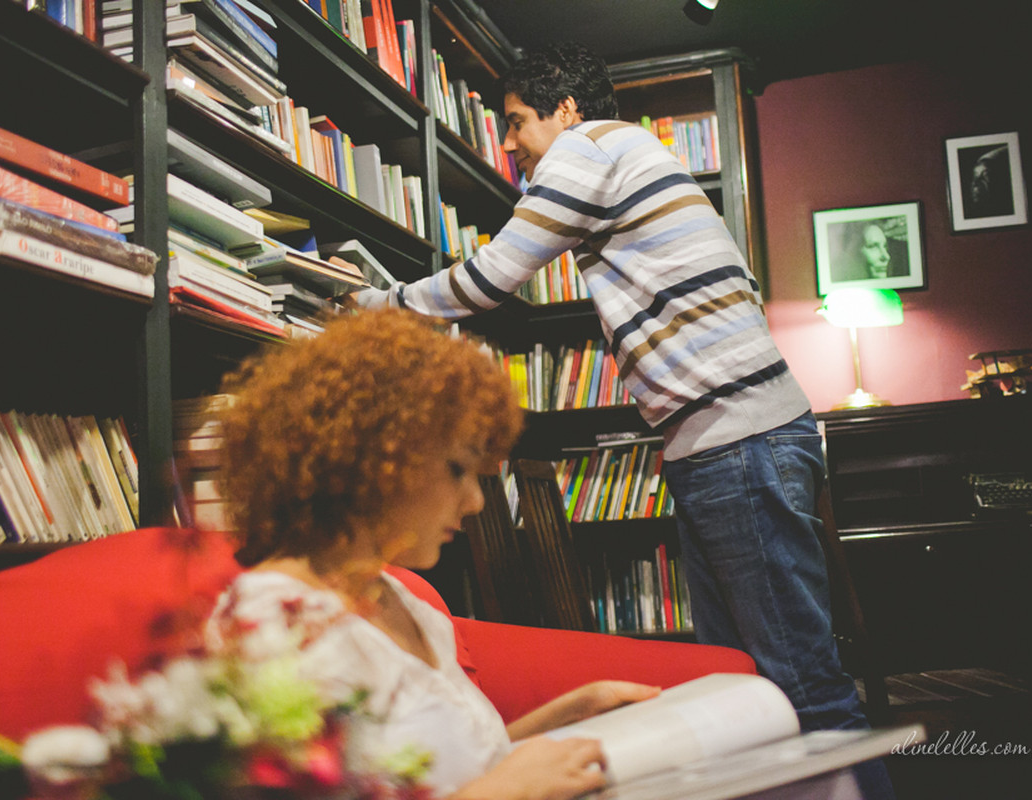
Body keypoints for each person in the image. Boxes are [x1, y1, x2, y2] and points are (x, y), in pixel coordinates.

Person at [348, 41, 893, 798]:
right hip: (728, 442)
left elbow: (495, 276)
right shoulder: (629, 154)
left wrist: (372, 305)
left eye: (514, 122)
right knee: (743, 682)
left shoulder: (587, 147)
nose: (507, 145)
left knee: (797, 682)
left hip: (737, 441)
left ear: (565, 110)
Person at [205, 308, 661, 800]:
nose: (476, 502)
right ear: (377, 454)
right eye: (458, 469)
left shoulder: (401, 598)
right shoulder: (273, 623)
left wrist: (569, 712)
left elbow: (439, 773)